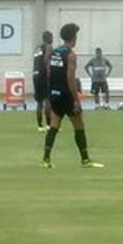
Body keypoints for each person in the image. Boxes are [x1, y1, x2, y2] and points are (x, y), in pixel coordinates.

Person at [41, 22, 103, 169]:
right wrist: (75, 99)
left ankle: (46, 159)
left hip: (55, 95)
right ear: (73, 37)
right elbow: (70, 78)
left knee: (54, 126)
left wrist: (51, 93)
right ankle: (85, 160)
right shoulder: (71, 55)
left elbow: (49, 73)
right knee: (79, 126)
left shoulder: (55, 52)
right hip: (67, 96)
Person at [32, 30, 54, 131]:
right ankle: (49, 125)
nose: (52, 39)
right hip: (44, 75)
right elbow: (46, 60)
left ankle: (40, 126)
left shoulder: (37, 49)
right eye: (51, 37)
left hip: (35, 75)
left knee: (39, 102)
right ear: (48, 38)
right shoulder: (48, 47)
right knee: (48, 100)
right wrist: (50, 74)